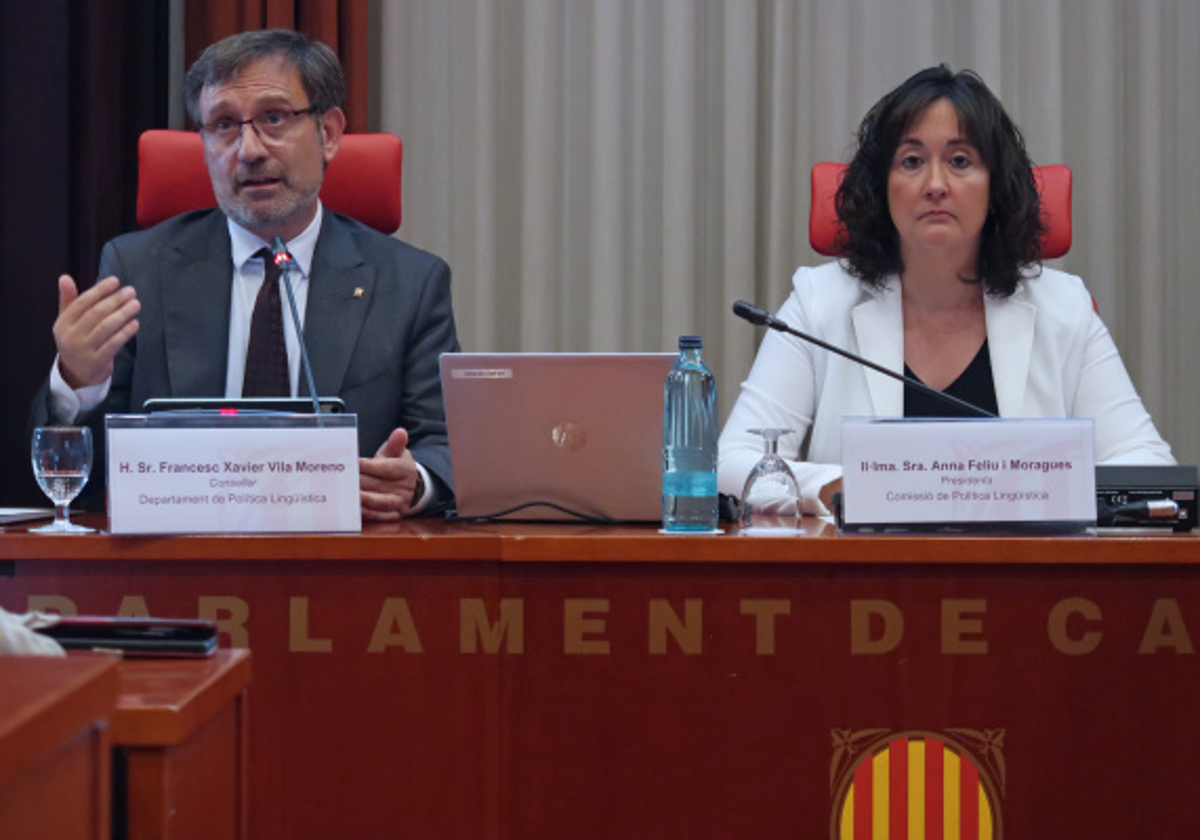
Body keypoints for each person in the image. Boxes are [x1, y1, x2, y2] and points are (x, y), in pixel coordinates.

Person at [29, 29, 459, 520]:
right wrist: (76, 383)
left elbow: (446, 445)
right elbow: (84, 480)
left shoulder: (411, 283)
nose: (249, 150)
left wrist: (415, 482)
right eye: (224, 125)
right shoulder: (139, 271)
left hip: (349, 572)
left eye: (273, 119)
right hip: (177, 570)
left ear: (330, 134)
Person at [718, 64, 1174, 516]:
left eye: (960, 161)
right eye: (911, 161)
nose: (935, 185)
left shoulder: (1064, 308)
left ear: (995, 186)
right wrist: (849, 486)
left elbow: (1149, 470)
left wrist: (1040, 491)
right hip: (863, 582)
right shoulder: (819, 302)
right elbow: (731, 463)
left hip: (1026, 580)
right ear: (883, 186)